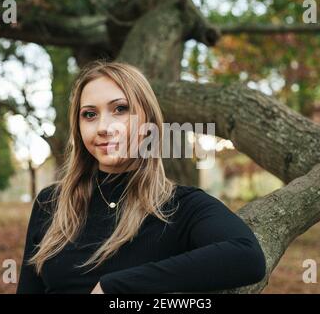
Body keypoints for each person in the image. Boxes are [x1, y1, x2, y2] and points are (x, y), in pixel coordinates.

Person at [16, 60, 266, 294]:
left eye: (120, 109)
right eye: (89, 114)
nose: (103, 127)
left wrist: (114, 288)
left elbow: (247, 257)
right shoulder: (51, 203)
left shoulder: (180, 207)